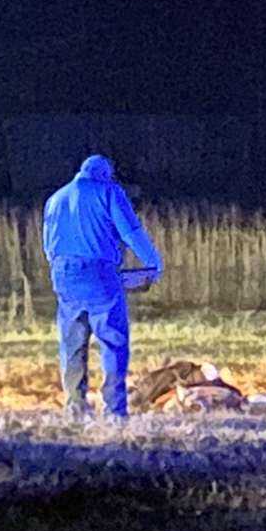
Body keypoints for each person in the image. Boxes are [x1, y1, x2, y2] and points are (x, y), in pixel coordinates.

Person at [41, 154, 163, 420]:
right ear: (105, 174)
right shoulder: (109, 192)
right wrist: (153, 263)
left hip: (63, 272)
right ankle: (114, 410)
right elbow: (130, 232)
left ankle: (75, 407)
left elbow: (48, 244)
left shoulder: (56, 198)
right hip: (98, 273)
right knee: (112, 340)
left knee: (72, 342)